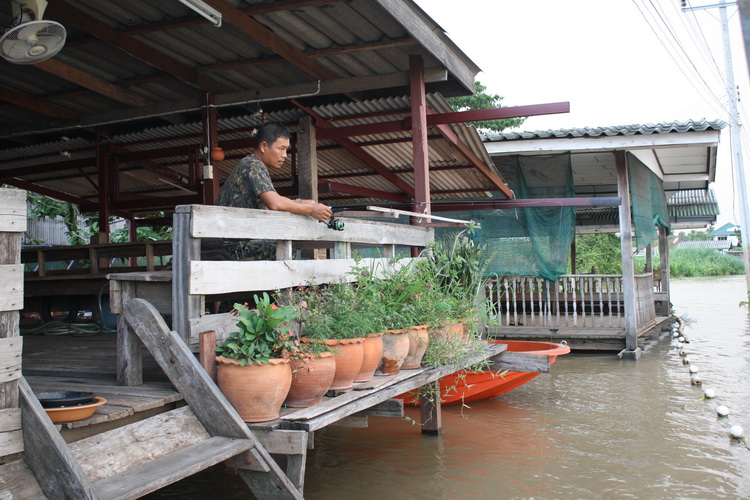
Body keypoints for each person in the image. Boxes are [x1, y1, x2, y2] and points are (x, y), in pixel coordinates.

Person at [211, 122, 332, 260]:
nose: (285, 155)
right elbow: (275, 203)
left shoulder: (252, 164)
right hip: (232, 247)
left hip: (230, 242)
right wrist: (310, 209)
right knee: (286, 246)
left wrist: (301, 203)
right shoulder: (253, 165)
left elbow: (271, 201)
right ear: (263, 146)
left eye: (286, 150)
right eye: (281, 148)